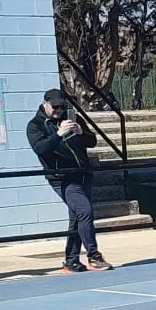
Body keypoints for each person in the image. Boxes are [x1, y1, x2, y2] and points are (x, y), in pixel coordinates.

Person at [26, 90, 108, 273]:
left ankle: (71, 261)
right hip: (62, 178)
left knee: (77, 218)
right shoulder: (35, 125)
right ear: (45, 104)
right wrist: (58, 134)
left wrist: (80, 132)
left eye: (62, 107)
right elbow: (41, 149)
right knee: (84, 211)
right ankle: (93, 255)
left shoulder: (73, 117)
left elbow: (92, 141)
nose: (58, 111)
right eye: (55, 107)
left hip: (83, 173)